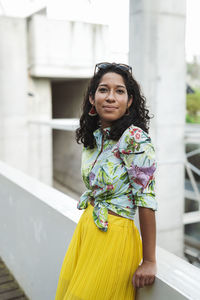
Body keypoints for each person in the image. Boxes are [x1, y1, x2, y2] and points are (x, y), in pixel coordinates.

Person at [55, 62, 157, 300]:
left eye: (119, 91)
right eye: (103, 90)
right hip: (87, 229)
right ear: (92, 98)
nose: (111, 97)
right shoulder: (95, 137)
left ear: (129, 101)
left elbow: (146, 199)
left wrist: (149, 260)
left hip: (115, 237)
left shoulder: (134, 138)